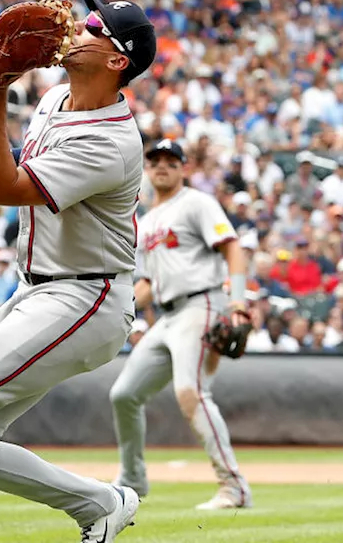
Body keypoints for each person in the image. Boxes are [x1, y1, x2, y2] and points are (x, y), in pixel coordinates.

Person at [0, 0, 154, 543]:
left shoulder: (111, 141)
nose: (80, 25)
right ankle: (102, 503)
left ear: (118, 61)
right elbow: (16, 166)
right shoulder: (55, 99)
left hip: (86, 299)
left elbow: (0, 189)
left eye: (96, 27)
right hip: (39, 290)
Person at [107, 139, 253, 510]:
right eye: (156, 160)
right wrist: (111, 310)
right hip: (168, 315)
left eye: (172, 161)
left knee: (191, 392)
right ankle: (133, 478)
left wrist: (237, 300)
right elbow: (145, 285)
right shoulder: (146, 219)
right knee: (123, 395)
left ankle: (233, 486)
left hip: (202, 303)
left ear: (183, 168)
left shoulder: (196, 202)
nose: (163, 166)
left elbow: (232, 247)